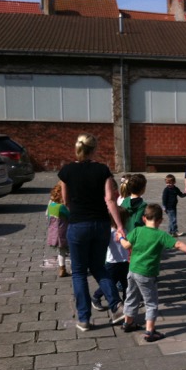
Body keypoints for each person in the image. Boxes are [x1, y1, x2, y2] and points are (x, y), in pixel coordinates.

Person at [58, 133, 125, 331]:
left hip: (78, 225)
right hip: (101, 224)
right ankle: (116, 307)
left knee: (79, 272)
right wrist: (119, 225)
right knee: (99, 267)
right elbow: (110, 199)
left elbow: (65, 201)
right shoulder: (102, 170)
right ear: (94, 149)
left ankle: (84, 318)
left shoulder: (66, 171)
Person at [118, 204, 186, 342]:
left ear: (144, 218)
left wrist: (120, 237)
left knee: (131, 296)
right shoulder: (161, 235)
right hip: (147, 274)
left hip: (132, 271)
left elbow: (126, 245)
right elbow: (178, 245)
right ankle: (150, 332)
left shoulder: (137, 231)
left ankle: (128, 323)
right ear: (160, 220)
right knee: (151, 302)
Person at [91, 206, 130, 310]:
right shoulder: (109, 232)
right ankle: (96, 297)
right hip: (112, 263)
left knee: (126, 283)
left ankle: (127, 301)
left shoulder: (125, 230)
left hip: (125, 262)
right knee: (110, 283)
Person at [46, 183, 70, 278]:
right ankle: (75, 268)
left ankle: (62, 268)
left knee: (61, 251)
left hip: (54, 231)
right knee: (72, 250)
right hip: (65, 231)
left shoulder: (51, 205)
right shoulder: (62, 207)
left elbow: (47, 215)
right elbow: (70, 216)